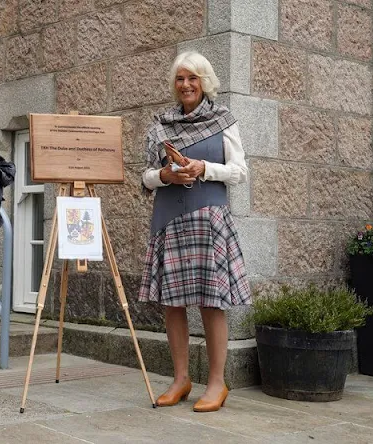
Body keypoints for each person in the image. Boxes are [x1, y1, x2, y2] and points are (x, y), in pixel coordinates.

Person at [138, 51, 251, 413]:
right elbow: (145, 176)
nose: (186, 85)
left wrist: (204, 168)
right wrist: (165, 176)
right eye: (180, 79)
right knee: (172, 302)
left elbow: (240, 172)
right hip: (169, 218)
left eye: (193, 78)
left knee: (210, 301)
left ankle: (217, 383)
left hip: (208, 219)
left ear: (205, 82)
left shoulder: (223, 120)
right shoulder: (161, 125)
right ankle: (181, 379)